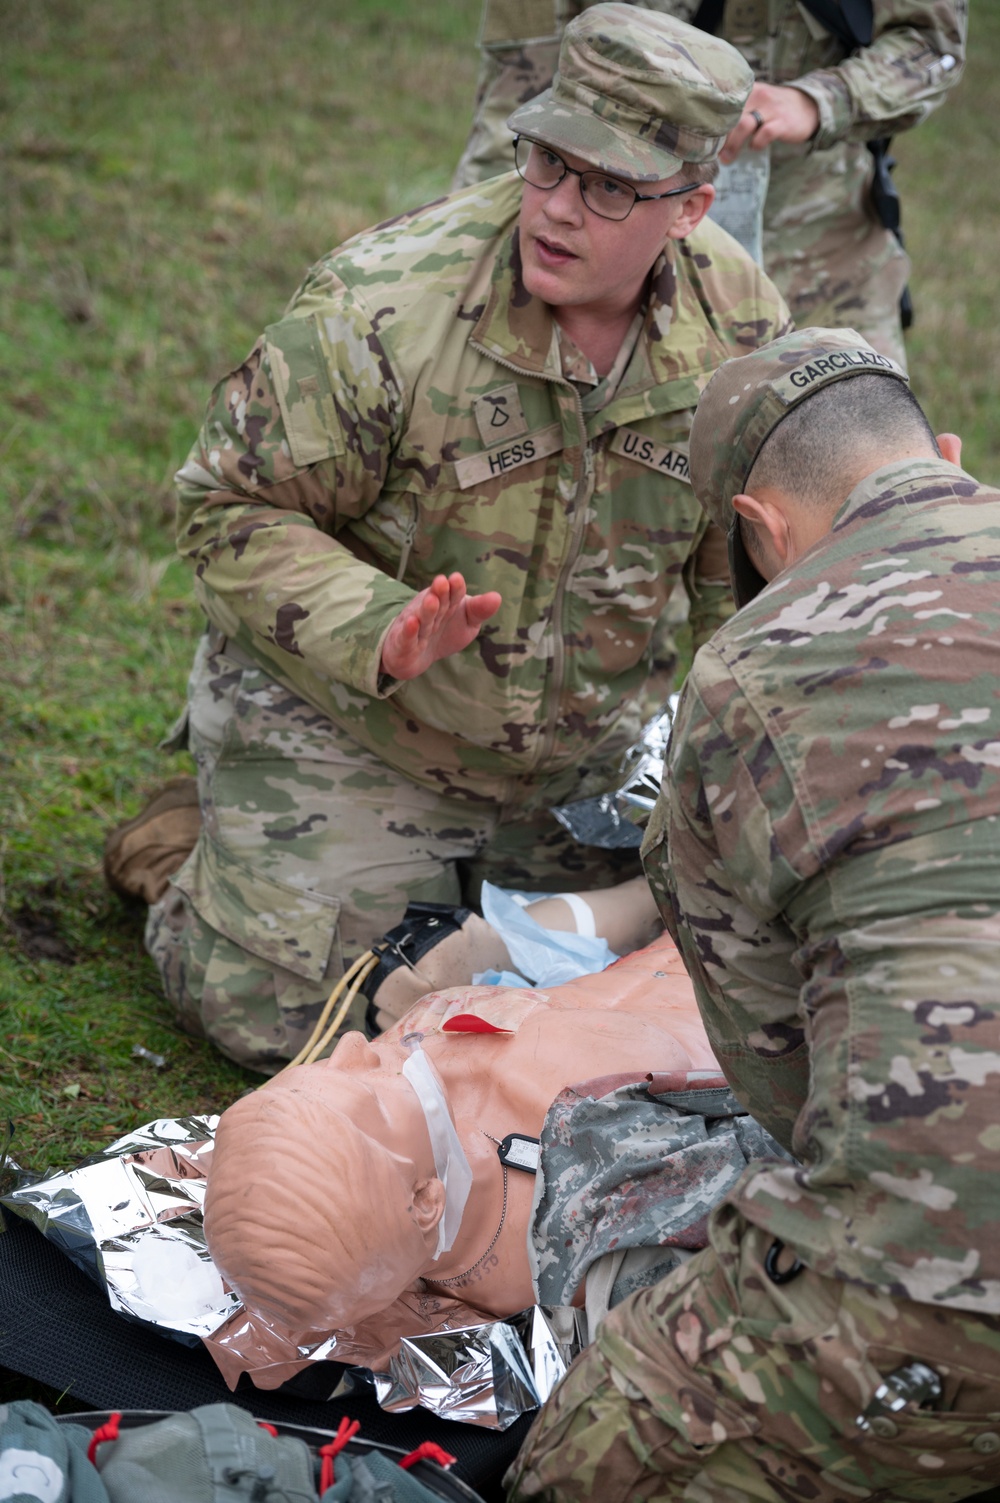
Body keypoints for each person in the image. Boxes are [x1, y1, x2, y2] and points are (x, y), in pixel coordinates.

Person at [144, 4, 792, 1073]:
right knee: (318, 1024)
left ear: (690, 207)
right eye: (547, 162)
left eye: (609, 187)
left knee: (697, 990)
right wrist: (380, 626)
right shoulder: (384, 309)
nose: (557, 208)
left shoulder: (739, 330)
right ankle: (201, 865)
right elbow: (225, 507)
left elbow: (745, 567)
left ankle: (422, 890)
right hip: (361, 726)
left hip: (577, 764)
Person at [507, 326, 1000, 1501]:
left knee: (571, 1473)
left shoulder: (746, 671)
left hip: (925, 1314)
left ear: (763, 531)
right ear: (942, 452)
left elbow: (781, 1082)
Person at [202, 933, 721, 1378]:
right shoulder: (568, 1118)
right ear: (426, 1201)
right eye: (372, 1097)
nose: (354, 1046)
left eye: (326, 1068)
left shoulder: (394, 1204)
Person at [452, 0, 967, 367]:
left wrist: (823, 100)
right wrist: (465, 254)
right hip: (616, 246)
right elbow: (519, 92)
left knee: (851, 463)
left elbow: (933, 43)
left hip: (818, 249)